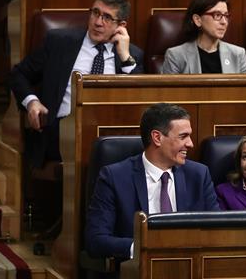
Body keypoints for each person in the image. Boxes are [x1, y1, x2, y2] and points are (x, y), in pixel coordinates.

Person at [9, 0, 144, 169]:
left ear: (121, 25)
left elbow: (140, 99)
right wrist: (32, 102)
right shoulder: (59, 42)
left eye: (107, 18)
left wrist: (125, 57)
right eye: (95, 13)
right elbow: (19, 74)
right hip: (61, 130)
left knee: (115, 151)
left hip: (107, 134)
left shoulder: (131, 56)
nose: (97, 22)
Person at [85, 103, 220, 263]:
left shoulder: (198, 175)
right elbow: (96, 240)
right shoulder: (115, 177)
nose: (190, 144)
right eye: (183, 136)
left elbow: (216, 231)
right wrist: (142, 248)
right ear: (157, 137)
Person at [162, 0, 246, 74]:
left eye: (226, 16)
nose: (224, 22)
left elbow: (243, 89)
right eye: (217, 15)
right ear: (197, 20)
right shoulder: (176, 56)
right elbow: (168, 89)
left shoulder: (238, 54)